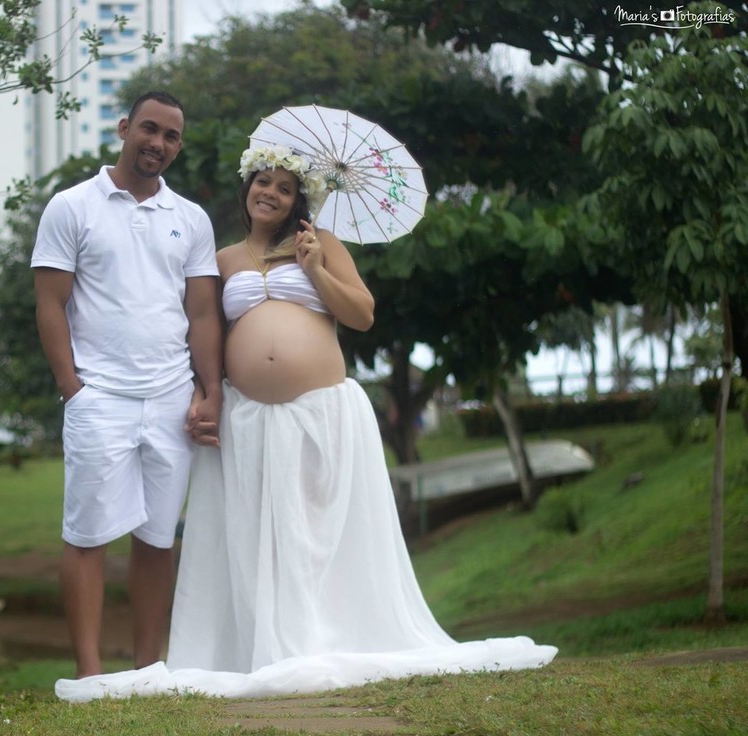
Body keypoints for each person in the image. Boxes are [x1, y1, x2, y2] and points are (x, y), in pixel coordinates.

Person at [55, 142, 556, 701]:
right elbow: (204, 330)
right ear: (247, 188)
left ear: (299, 200)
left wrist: (315, 268)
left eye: (284, 187)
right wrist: (204, 392)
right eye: (262, 182)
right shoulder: (224, 259)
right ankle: (262, 646)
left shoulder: (322, 244)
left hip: (320, 414)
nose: (269, 192)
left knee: (317, 535)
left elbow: (361, 315)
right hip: (248, 421)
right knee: (256, 538)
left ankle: (324, 639)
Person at [31, 91, 222, 680]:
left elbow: (202, 314)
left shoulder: (191, 218)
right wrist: (73, 389)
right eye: (149, 128)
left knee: (157, 538)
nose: (157, 143)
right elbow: (50, 303)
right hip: (99, 398)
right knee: (87, 535)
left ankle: (147, 670)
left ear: (178, 146)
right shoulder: (71, 206)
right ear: (124, 128)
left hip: (171, 398)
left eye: (171, 135)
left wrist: (210, 390)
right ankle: (89, 675)